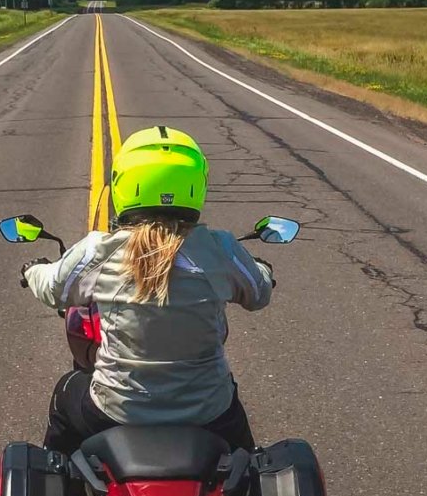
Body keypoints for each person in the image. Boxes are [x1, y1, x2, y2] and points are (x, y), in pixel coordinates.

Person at [21, 126, 274, 454]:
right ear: (196, 185)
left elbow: (54, 288)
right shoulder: (221, 248)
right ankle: (247, 491)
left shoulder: (101, 249)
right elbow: (258, 293)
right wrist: (264, 271)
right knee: (247, 458)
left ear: (123, 183)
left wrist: (32, 270)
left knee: (65, 393)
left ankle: (61, 486)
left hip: (116, 411)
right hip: (209, 414)